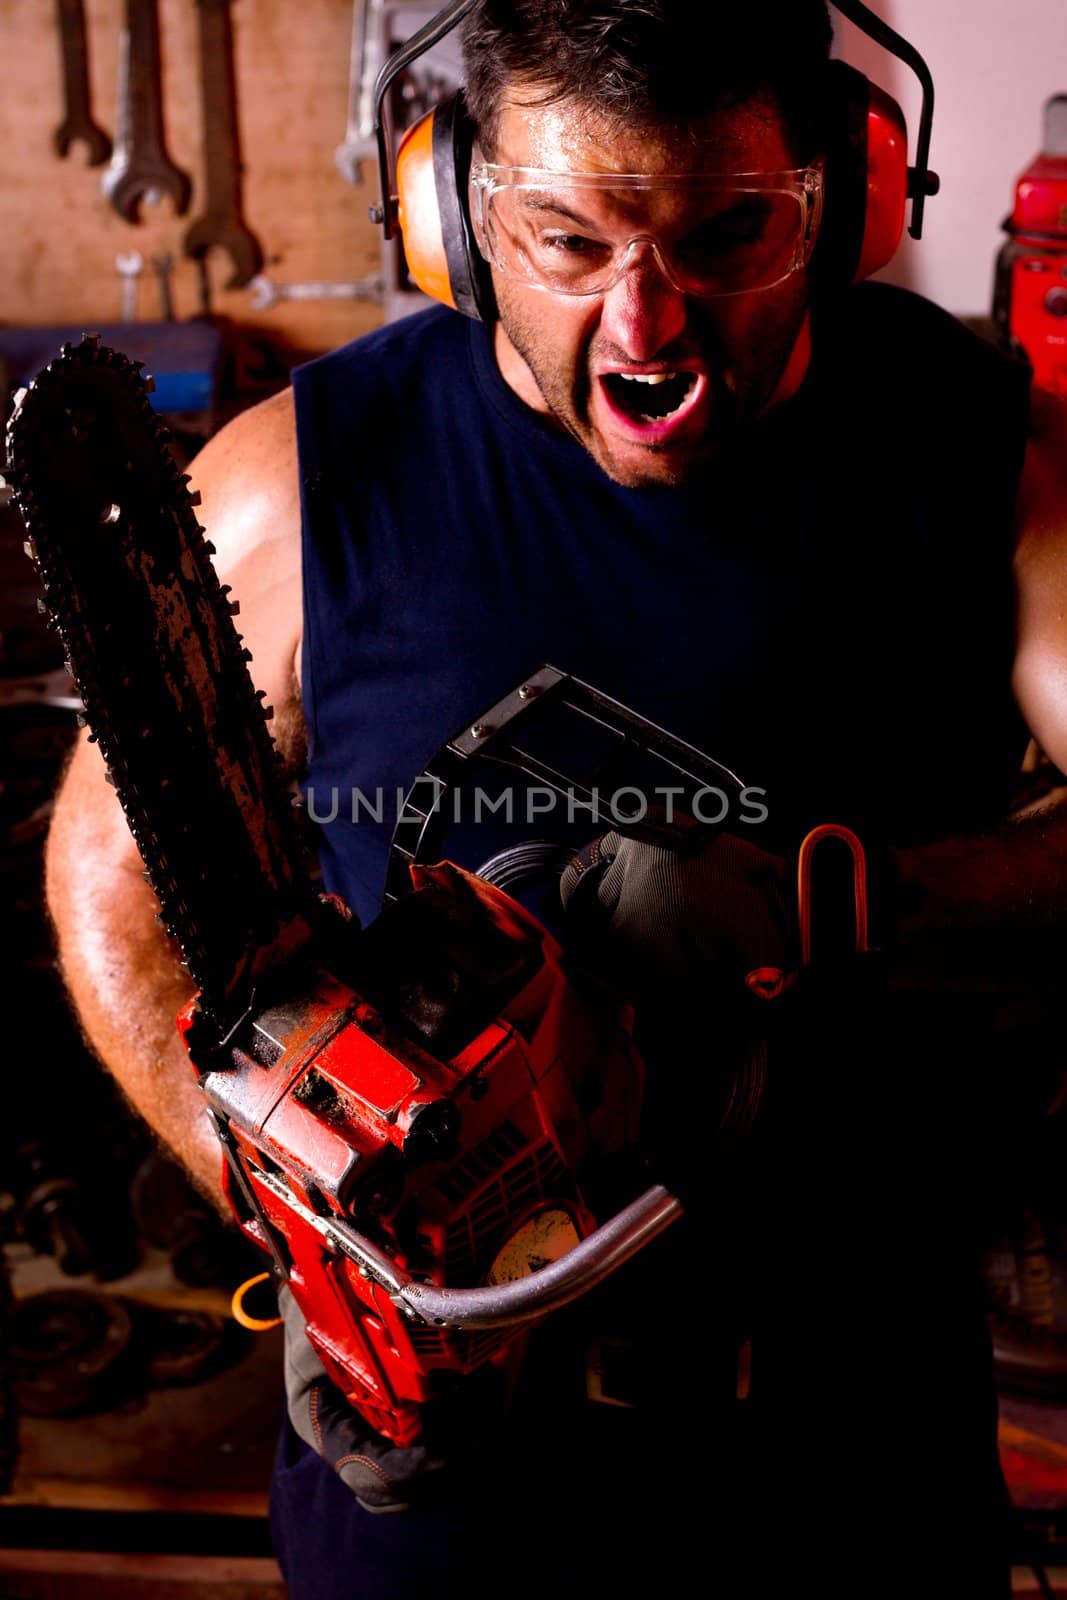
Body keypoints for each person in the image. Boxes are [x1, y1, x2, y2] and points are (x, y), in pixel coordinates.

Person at [43, 1, 1067, 1594]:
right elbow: (102, 883)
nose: (648, 325)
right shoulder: (300, 482)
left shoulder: (975, 448)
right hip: (455, 1497)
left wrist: (844, 897)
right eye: (568, 239)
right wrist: (294, 1219)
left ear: (845, 203)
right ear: (458, 216)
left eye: (729, 234)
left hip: (854, 1454)